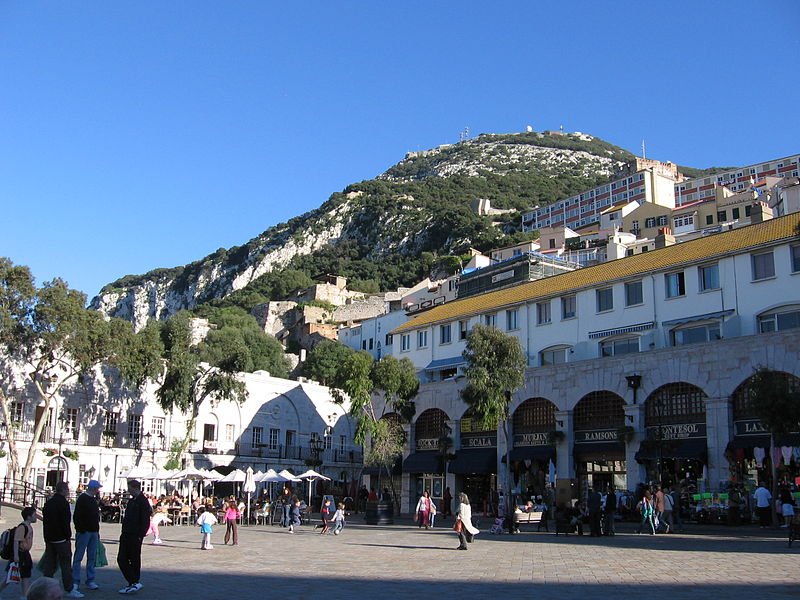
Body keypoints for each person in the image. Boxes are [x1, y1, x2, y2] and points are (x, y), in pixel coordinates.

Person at [42, 481, 83, 598]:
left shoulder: (49, 503)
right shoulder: (63, 504)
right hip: (61, 538)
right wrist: (67, 536)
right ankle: (69, 588)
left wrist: (47, 537)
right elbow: (65, 522)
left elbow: (46, 521)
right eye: (67, 490)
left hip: (50, 538)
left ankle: (46, 587)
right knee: (65, 564)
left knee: (49, 564)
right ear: (63, 490)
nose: (69, 492)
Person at [117, 479, 152, 594]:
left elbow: (145, 521)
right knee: (122, 558)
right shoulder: (132, 501)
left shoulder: (143, 502)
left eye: (129, 488)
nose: (128, 490)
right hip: (126, 534)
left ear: (134, 488)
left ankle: (134, 582)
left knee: (134, 558)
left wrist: (140, 535)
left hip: (135, 535)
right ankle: (133, 581)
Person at [71, 479, 103, 594]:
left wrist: (97, 531)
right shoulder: (83, 499)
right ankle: (75, 581)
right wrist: (81, 529)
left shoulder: (93, 500)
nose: (98, 490)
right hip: (84, 532)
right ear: (93, 488)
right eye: (97, 488)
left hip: (93, 531)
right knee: (78, 556)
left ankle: (90, 579)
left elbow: (95, 516)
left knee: (92, 556)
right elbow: (77, 516)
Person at [0, 506, 36, 599]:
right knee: (10, 577)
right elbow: (16, 541)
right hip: (20, 554)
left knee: (25, 575)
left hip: (25, 553)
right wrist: (16, 556)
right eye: (34, 515)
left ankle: (25, 595)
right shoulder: (22, 527)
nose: (35, 517)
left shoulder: (28, 526)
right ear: (28, 517)